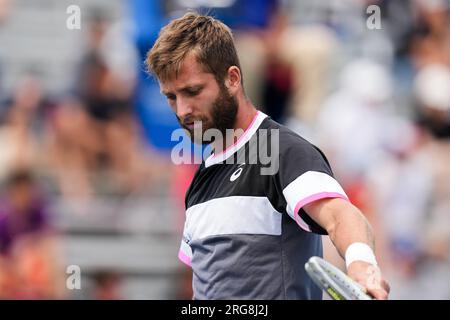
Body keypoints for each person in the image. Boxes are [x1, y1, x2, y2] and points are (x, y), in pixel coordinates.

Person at [145, 12, 390, 300]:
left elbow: (340, 215)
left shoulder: (281, 151)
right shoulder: (201, 181)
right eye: (171, 97)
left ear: (232, 79)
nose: (182, 110)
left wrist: (362, 264)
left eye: (193, 91)